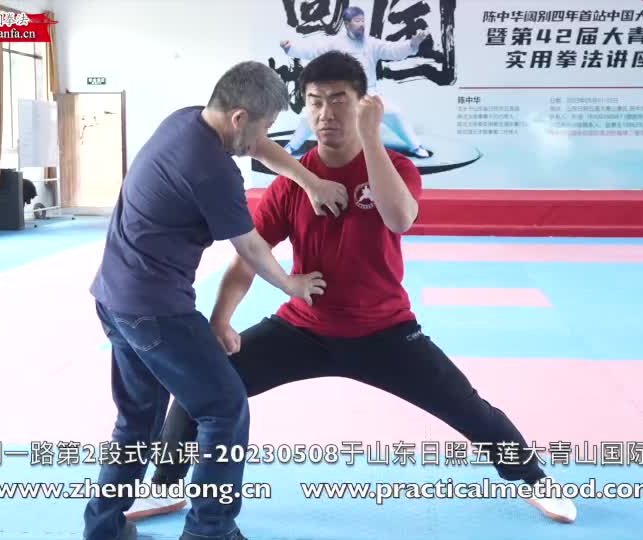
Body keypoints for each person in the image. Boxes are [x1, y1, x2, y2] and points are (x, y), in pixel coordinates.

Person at [126, 51, 578, 526]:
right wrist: (222, 320)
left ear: (363, 104)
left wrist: (372, 137)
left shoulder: (397, 168)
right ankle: (166, 483)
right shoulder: (292, 183)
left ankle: (533, 478)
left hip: (384, 331)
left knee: (469, 409)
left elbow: (399, 218)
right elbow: (247, 259)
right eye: (315, 101)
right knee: (198, 386)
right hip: (302, 330)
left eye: (339, 100)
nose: (326, 114)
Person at [85, 61, 349, 540]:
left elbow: (258, 147)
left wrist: (308, 181)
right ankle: (210, 530)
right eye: (264, 126)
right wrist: (292, 285)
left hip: (114, 298)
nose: (264, 139)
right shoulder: (212, 172)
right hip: (156, 310)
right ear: (239, 118)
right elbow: (250, 247)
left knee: (137, 418)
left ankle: (102, 529)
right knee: (224, 408)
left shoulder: (185, 120)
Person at [279, 5, 431, 158]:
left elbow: (392, 50)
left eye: (363, 20)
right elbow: (313, 51)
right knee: (309, 116)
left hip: (368, 93)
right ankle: (292, 145)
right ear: (347, 24)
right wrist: (290, 49)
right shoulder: (334, 44)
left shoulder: (371, 43)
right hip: (340, 95)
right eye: (357, 21)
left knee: (394, 112)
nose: (362, 24)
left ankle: (416, 146)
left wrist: (412, 45)